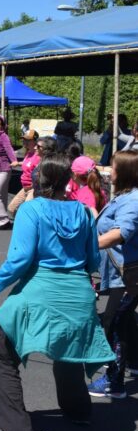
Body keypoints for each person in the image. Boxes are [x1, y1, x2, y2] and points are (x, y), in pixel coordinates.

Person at [0, 154, 114, 431]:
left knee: (5, 358)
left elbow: (19, 261)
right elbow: (92, 260)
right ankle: (78, 412)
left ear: (38, 180)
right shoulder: (85, 212)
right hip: (78, 295)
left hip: (38, 294)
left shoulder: (31, 209)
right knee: (69, 354)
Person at [88, 150, 138, 399]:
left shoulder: (132, 201)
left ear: (125, 172)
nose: (109, 170)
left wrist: (87, 245)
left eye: (113, 166)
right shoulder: (126, 196)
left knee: (114, 322)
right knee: (125, 319)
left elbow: (121, 233)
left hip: (129, 275)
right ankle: (134, 363)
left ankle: (114, 382)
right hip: (124, 273)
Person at [6, 129, 40, 218]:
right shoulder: (29, 153)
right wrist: (18, 163)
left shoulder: (39, 155)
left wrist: (34, 185)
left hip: (33, 188)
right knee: (11, 208)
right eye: (24, 139)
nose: (25, 141)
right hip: (25, 188)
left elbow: (41, 171)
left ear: (35, 141)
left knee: (27, 211)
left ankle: (29, 228)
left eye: (28, 140)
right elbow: (28, 164)